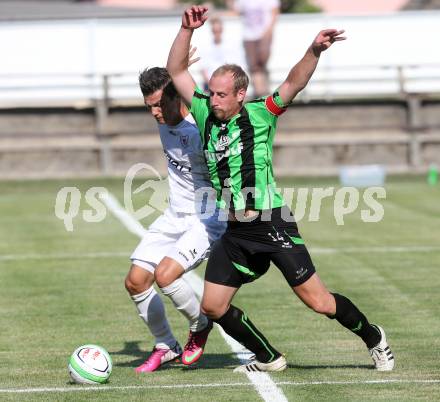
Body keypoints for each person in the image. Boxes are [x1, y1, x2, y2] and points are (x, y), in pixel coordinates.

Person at [166, 5, 395, 373]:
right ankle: (269, 357)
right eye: (212, 93)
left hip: (272, 223)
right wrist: (185, 30)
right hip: (237, 230)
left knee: (320, 303)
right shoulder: (206, 112)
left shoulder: (262, 113)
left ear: (241, 94)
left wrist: (314, 51)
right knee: (213, 305)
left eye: (222, 94)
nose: (214, 100)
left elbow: (294, 83)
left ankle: (373, 337)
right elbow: (176, 70)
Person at [125, 63, 225, 372]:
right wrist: (180, 61)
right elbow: (172, 71)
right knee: (135, 281)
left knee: (166, 276)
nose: (154, 112)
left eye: (159, 104)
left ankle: (201, 323)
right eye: (149, 106)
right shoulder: (162, 119)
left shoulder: (201, 125)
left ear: (176, 97)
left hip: (207, 218)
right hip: (175, 215)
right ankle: (166, 345)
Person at [227, 0, 280, 98]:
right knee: (254, 66)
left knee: (262, 61)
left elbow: (275, 13)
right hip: (249, 35)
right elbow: (236, 10)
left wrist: (269, 31)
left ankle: (263, 90)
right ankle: (260, 92)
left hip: (264, 33)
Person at [199, 16, 244, 91]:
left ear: (222, 29)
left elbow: (237, 66)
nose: (217, 33)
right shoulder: (205, 47)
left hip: (228, 83)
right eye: (214, 31)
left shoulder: (231, 45)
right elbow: (203, 69)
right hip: (211, 83)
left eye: (218, 30)